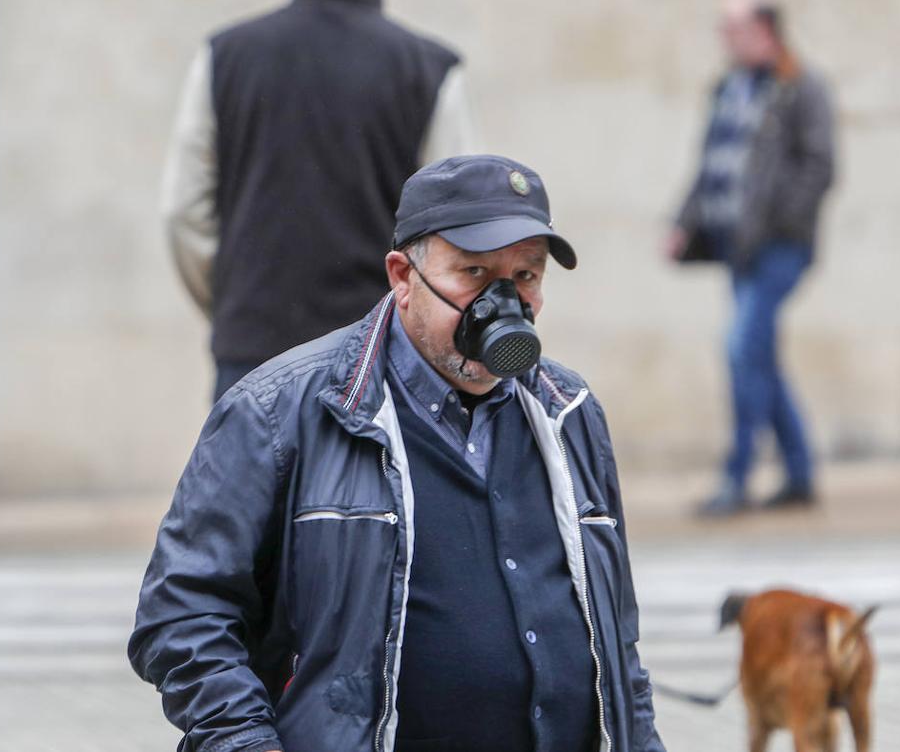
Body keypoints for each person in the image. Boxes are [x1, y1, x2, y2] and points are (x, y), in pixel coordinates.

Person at [129, 154, 665, 752]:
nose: (504, 305)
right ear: (402, 276)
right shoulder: (278, 412)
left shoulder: (571, 413)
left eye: (526, 278)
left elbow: (619, 647)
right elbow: (182, 613)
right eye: (474, 273)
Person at [163, 0, 475, 401]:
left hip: (253, 347)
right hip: (376, 355)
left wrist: (235, 300)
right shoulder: (428, 68)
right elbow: (454, 225)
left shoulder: (225, 55)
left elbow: (182, 211)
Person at [668, 0, 835, 516]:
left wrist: (776, 222)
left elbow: (819, 166)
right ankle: (801, 474)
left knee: (742, 350)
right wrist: (684, 222)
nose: (725, 37)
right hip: (735, 251)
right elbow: (711, 163)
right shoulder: (729, 88)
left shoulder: (800, 87)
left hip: (779, 249)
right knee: (758, 353)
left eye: (733, 27)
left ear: (765, 31)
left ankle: (736, 479)